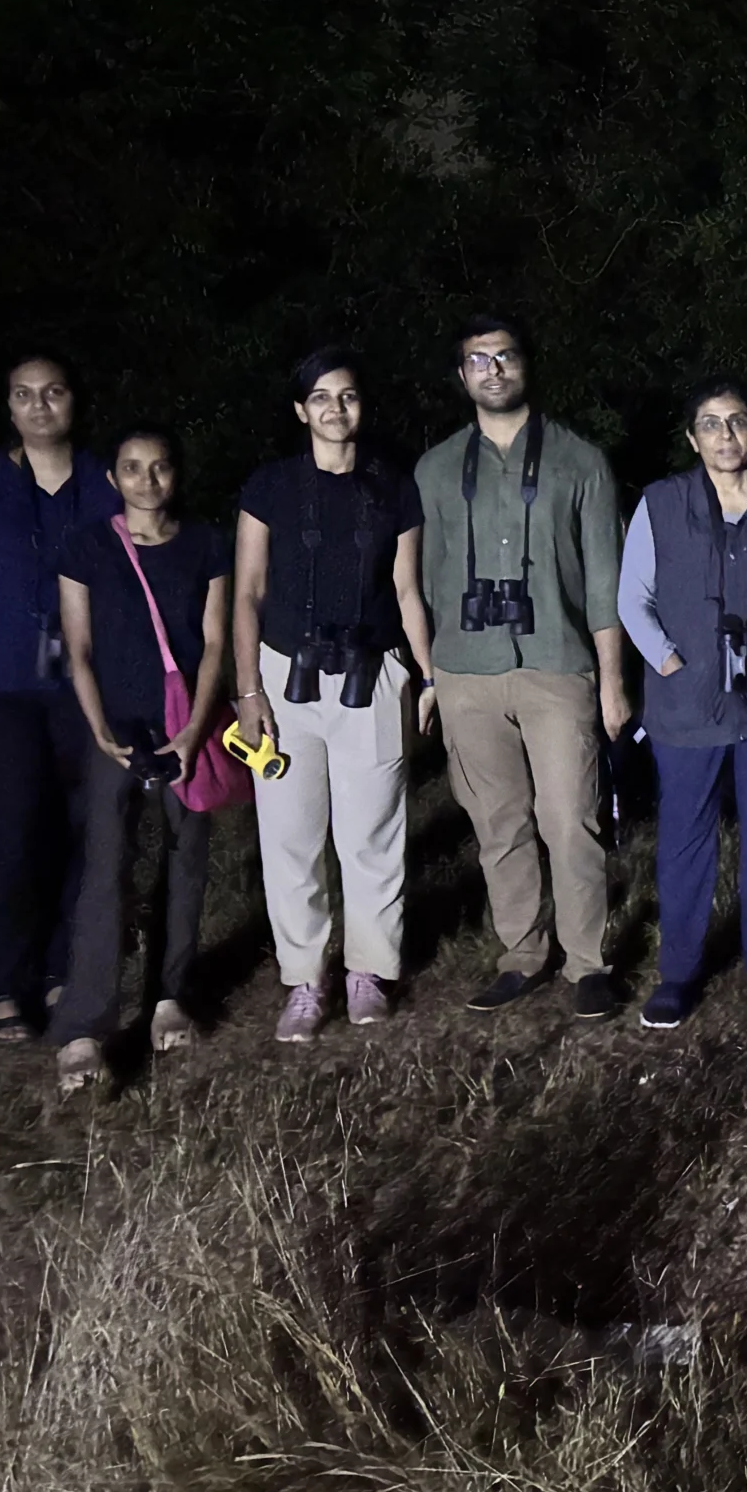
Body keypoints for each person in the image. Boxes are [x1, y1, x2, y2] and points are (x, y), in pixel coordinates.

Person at [414, 317, 630, 1022]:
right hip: (467, 669)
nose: (494, 369)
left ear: (525, 365)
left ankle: (587, 962)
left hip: (556, 662)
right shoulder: (436, 469)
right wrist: (431, 676)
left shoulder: (580, 461)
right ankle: (521, 954)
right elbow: (424, 579)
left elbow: (604, 580)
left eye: (505, 355)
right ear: (462, 376)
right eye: (478, 360)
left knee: (569, 818)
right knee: (498, 822)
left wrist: (613, 681)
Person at [231, 348, 436, 1043]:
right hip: (285, 678)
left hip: (371, 675)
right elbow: (247, 592)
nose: (335, 408)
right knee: (290, 837)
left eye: (346, 396)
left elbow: (407, 591)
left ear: (361, 405)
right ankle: (304, 979)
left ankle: (368, 972)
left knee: (372, 834)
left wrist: (427, 677)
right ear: (300, 410)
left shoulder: (394, 488)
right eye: (320, 397)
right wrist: (247, 690)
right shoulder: (269, 487)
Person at [0, 355, 123, 1043]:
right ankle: (8, 984)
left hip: (87, 689)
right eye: (24, 395)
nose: (40, 405)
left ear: (74, 401)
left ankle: (66, 970)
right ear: (9, 407)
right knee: (10, 835)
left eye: (53, 392)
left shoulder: (106, 482)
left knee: (84, 833)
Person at [49, 425, 232, 1090]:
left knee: (186, 857)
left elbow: (215, 643)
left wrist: (195, 731)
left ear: (175, 473)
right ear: (113, 477)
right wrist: (98, 727)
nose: (147, 480)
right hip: (116, 727)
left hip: (185, 723)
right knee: (106, 864)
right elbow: (78, 648)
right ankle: (84, 1027)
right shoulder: (87, 546)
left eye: (159, 467)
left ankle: (170, 997)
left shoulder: (207, 544)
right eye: (132, 467)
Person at [618, 377, 747, 1025]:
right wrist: (669, 660)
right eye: (712, 424)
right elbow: (631, 597)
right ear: (693, 439)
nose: (726, 435)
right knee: (686, 839)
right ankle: (679, 973)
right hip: (686, 703)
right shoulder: (661, 502)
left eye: (738, 421)